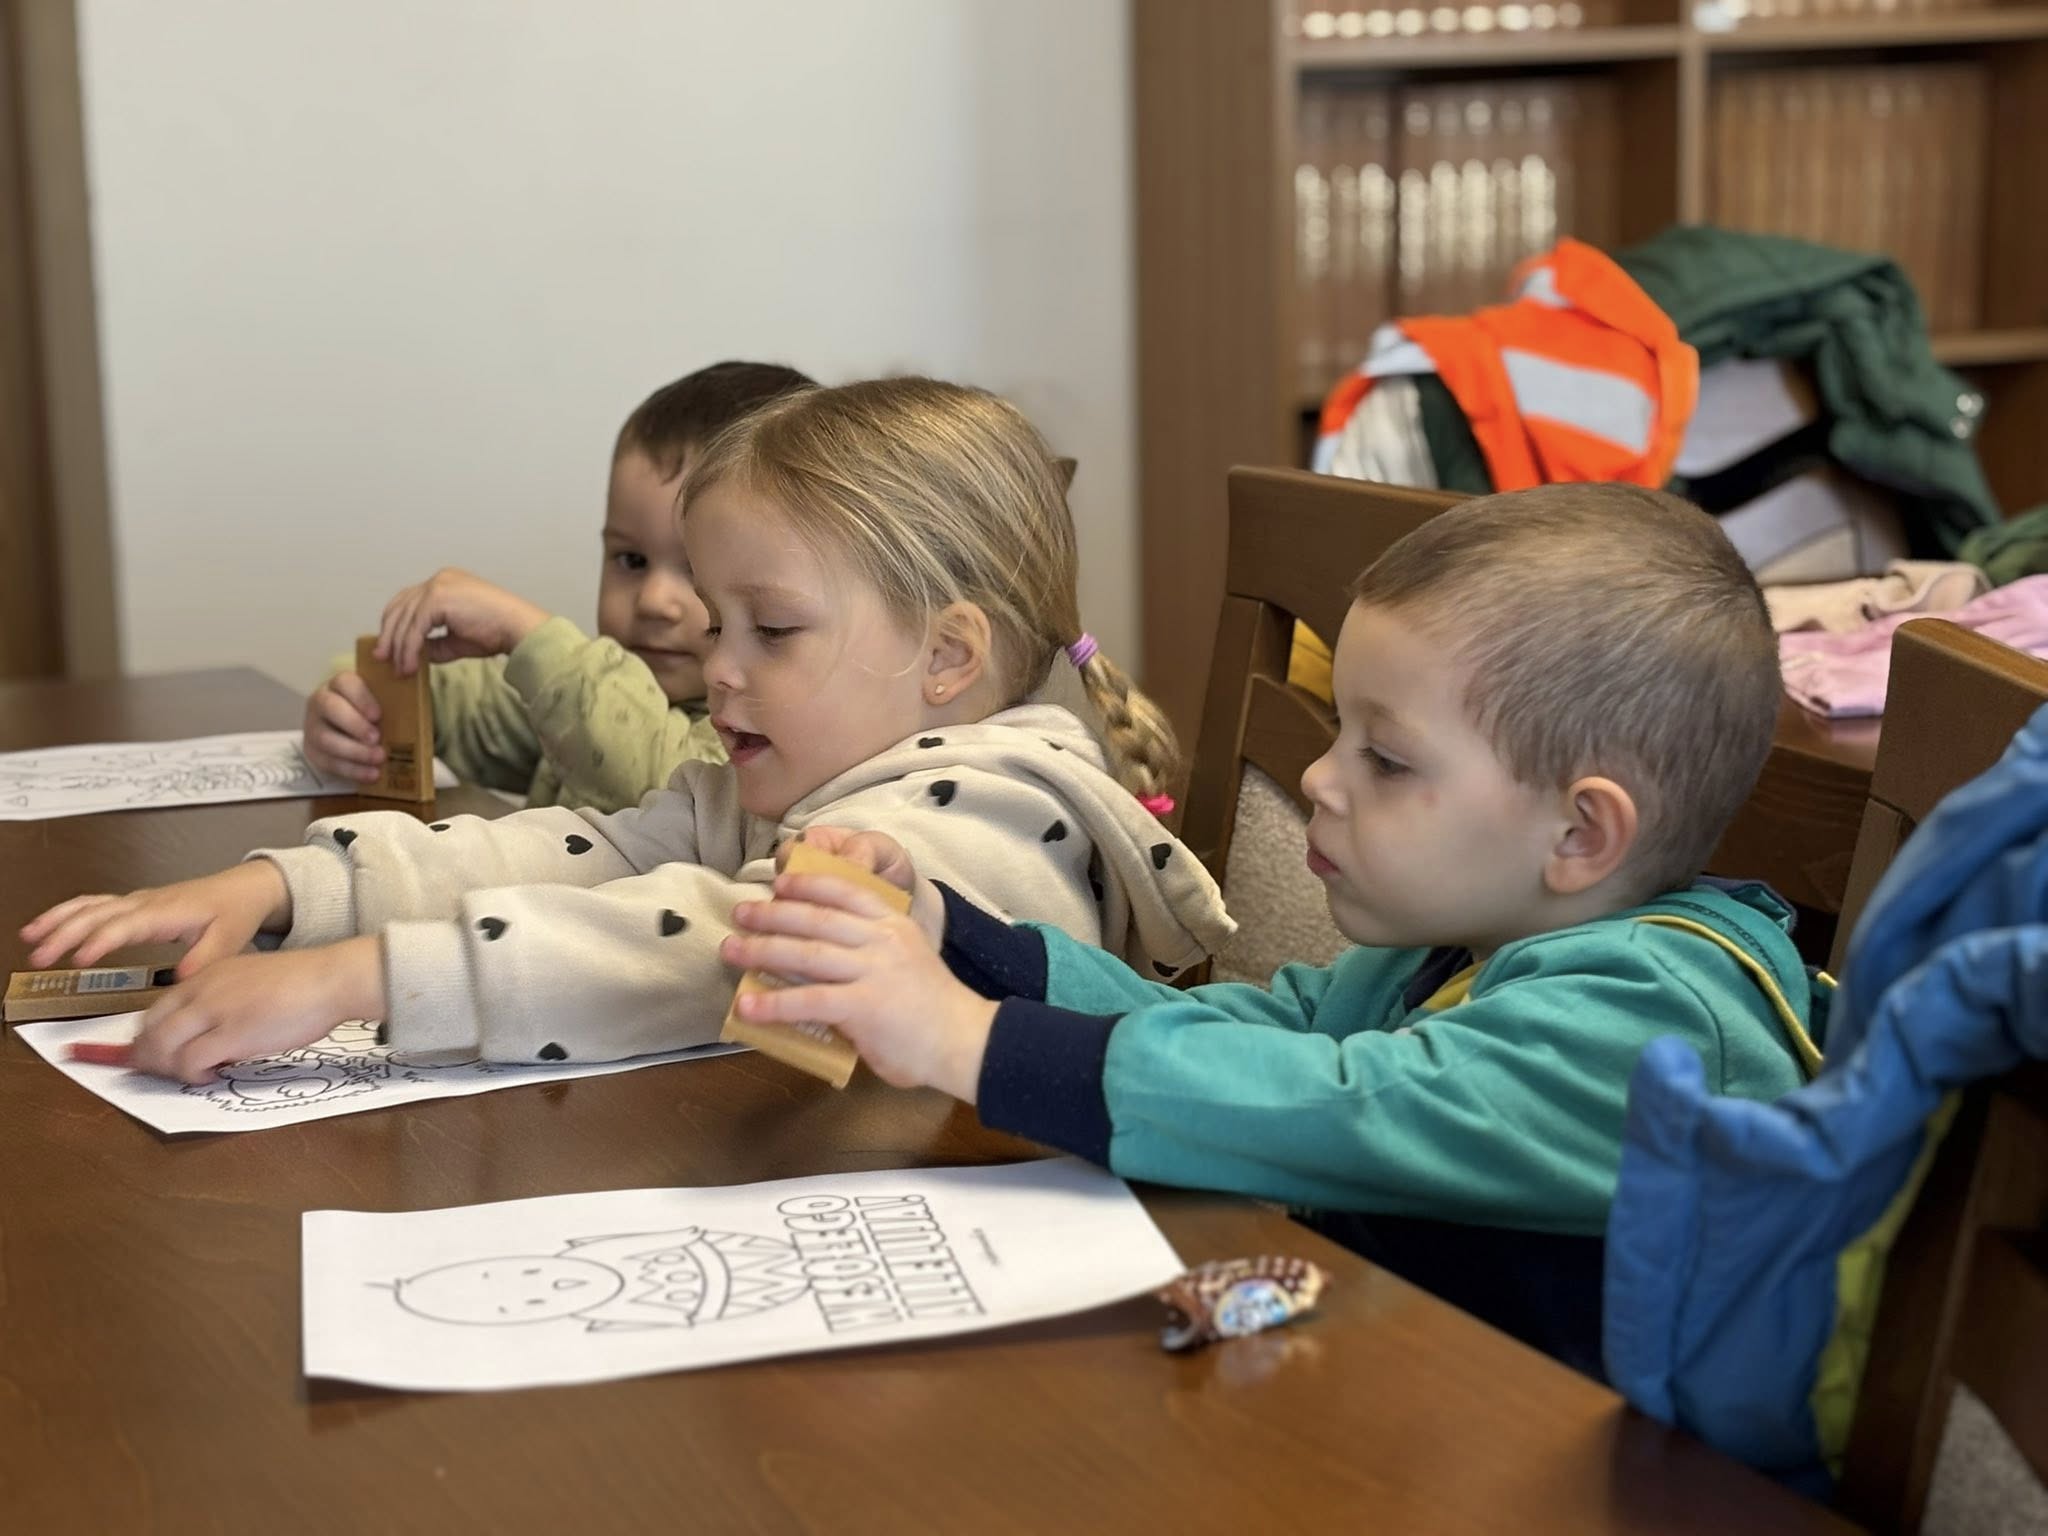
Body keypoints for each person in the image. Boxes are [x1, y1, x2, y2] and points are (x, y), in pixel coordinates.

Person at [718, 483, 1824, 1374]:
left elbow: (1350, 1107)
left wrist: (967, 1042)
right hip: (1422, 1407)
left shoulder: (1658, 1030)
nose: (1319, 777)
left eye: (1384, 759)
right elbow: (1254, 1035)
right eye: (1340, 733)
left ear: (1579, 833)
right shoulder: (1456, 942)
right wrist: (950, 932)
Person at [22, 377, 1232, 1086]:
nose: (717, 664)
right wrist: (285, 893)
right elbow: (583, 851)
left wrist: (356, 978)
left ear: (947, 657)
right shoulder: (806, 777)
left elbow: (711, 944)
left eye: (770, 629)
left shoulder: (991, 818)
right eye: (718, 621)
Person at [303, 360, 814, 811]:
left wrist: (526, 632)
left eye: (695, 571)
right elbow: (468, 713)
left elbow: (666, 784)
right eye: (631, 560)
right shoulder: (584, 694)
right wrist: (357, 704)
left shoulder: (762, 734)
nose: (654, 601)